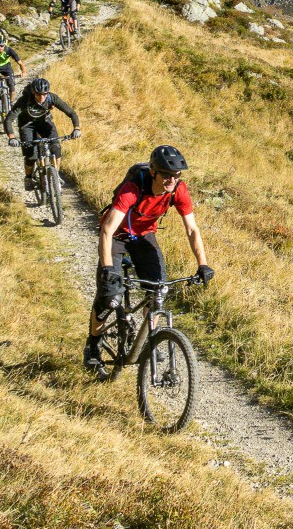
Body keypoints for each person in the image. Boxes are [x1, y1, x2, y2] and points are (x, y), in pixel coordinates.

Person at [85, 145, 212, 369]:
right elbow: (107, 229)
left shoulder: (177, 190)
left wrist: (202, 264)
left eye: (176, 175)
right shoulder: (133, 189)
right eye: (166, 175)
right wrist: (107, 270)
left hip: (143, 235)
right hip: (117, 235)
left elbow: (192, 230)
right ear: (153, 172)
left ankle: (146, 341)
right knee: (110, 296)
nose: (171, 180)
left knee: (159, 290)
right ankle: (93, 344)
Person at [3, 77, 81, 190]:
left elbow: (71, 113)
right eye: (39, 94)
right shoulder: (24, 100)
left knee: (56, 147)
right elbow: (9, 119)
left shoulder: (51, 98)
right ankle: (28, 178)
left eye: (44, 94)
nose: (42, 97)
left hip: (44, 122)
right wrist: (12, 137)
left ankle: (56, 175)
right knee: (31, 155)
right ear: (33, 92)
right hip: (27, 125)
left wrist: (76, 128)